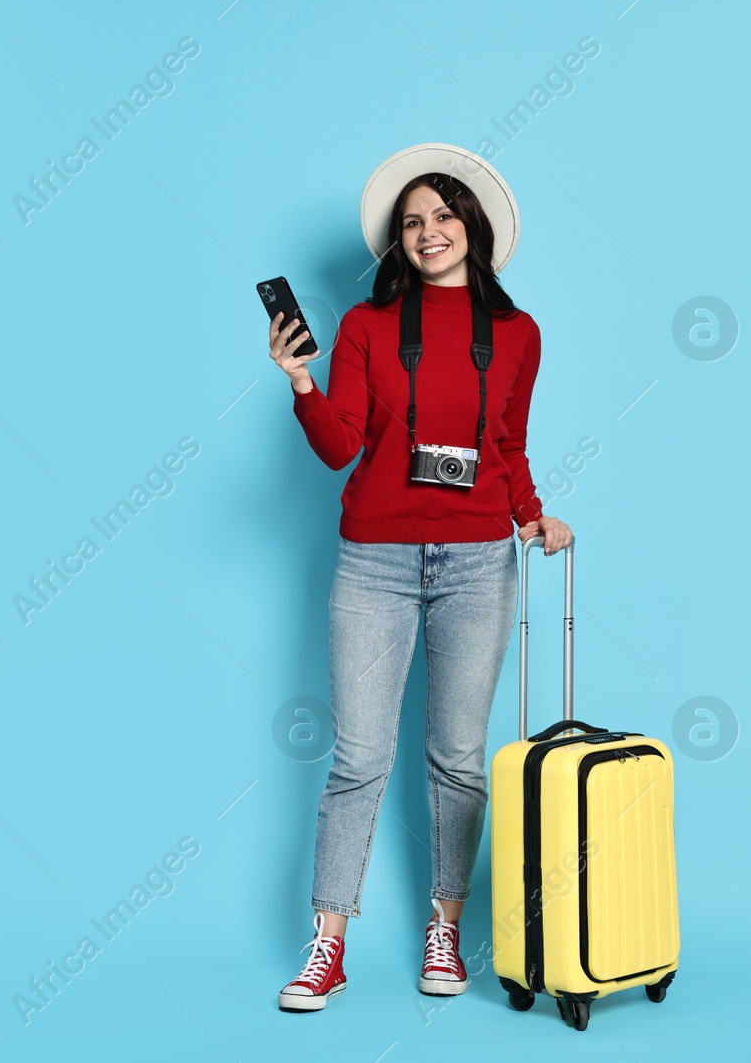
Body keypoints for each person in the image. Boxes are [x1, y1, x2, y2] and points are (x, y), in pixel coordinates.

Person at [266, 144, 571, 1012]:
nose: (429, 232)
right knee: (359, 758)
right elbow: (338, 446)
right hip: (375, 560)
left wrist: (532, 514)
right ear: (397, 242)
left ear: (471, 226)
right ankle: (328, 945)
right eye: (412, 223)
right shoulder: (365, 328)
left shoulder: (518, 334)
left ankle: (446, 929)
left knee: (459, 758)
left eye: (442, 216)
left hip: (480, 560)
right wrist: (299, 381)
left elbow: (507, 444)